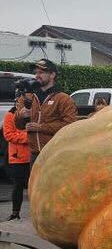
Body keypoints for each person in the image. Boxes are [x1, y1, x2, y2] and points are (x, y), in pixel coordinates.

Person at [14, 57, 78, 160]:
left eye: (41, 72)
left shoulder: (63, 98)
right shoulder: (27, 97)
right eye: (36, 72)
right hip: (34, 155)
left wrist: (41, 127)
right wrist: (20, 116)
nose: (37, 75)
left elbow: (71, 126)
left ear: (52, 75)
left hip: (56, 155)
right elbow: (19, 126)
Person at [2, 89, 31, 219]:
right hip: (18, 158)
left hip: (34, 156)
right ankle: (15, 213)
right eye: (22, 97)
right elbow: (9, 135)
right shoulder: (10, 115)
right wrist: (28, 136)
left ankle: (35, 215)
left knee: (33, 186)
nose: (25, 100)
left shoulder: (34, 113)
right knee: (18, 186)